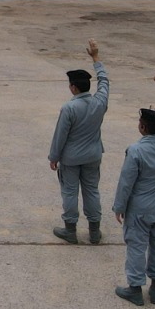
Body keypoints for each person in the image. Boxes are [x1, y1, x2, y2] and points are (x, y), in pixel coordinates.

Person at [112, 73, 155, 306]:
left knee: (136, 246)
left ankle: (134, 288)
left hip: (140, 208)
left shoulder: (136, 150)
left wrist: (119, 207)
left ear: (142, 127)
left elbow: (126, 182)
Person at [48, 40, 111, 245]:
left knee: (70, 191)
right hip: (93, 155)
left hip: (71, 157)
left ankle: (70, 229)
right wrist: (96, 58)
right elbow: (104, 82)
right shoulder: (99, 102)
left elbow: (60, 135)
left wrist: (54, 156)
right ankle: (94, 231)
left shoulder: (69, 108)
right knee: (92, 190)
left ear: (73, 87)